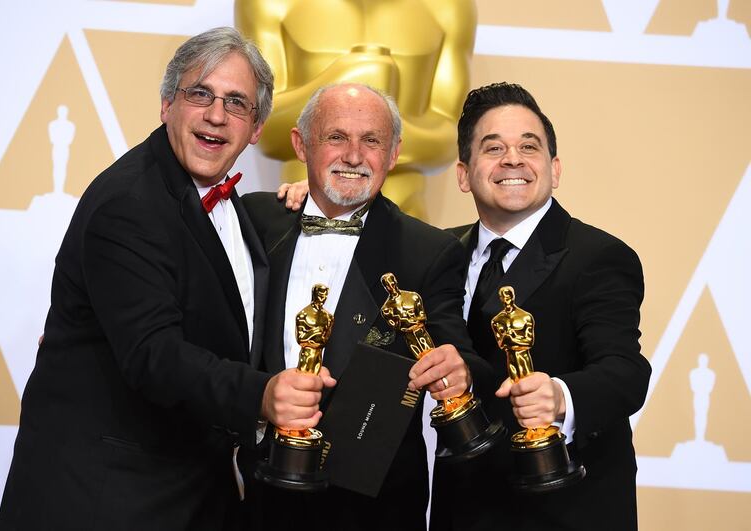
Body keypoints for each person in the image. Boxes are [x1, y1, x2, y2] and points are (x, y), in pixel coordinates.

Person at [0, 27, 334, 531]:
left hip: (189, 493)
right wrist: (261, 396)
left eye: (236, 103)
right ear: (166, 105)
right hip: (107, 498)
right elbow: (154, 354)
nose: (216, 114)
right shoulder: (128, 202)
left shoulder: (237, 210)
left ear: (256, 128)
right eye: (200, 93)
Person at [243, 83, 493, 530]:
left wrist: (460, 371)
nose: (354, 156)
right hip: (258, 494)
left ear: (394, 153)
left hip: (375, 506)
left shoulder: (426, 251)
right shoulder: (256, 219)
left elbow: (459, 354)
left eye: (372, 140)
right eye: (336, 137)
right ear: (302, 145)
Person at [430, 82, 652, 531]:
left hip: (564, 510)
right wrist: (310, 194)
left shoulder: (598, 256)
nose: (513, 159)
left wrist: (560, 397)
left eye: (528, 147)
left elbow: (626, 372)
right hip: (459, 509)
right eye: (494, 148)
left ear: (554, 168)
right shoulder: (438, 253)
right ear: (463, 173)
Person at [235, 0, 476, 217]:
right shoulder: (267, 4)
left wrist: (378, 130)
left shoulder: (450, 6)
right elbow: (262, 126)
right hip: (303, 209)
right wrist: (348, 75)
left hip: (404, 215)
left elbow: (448, 136)